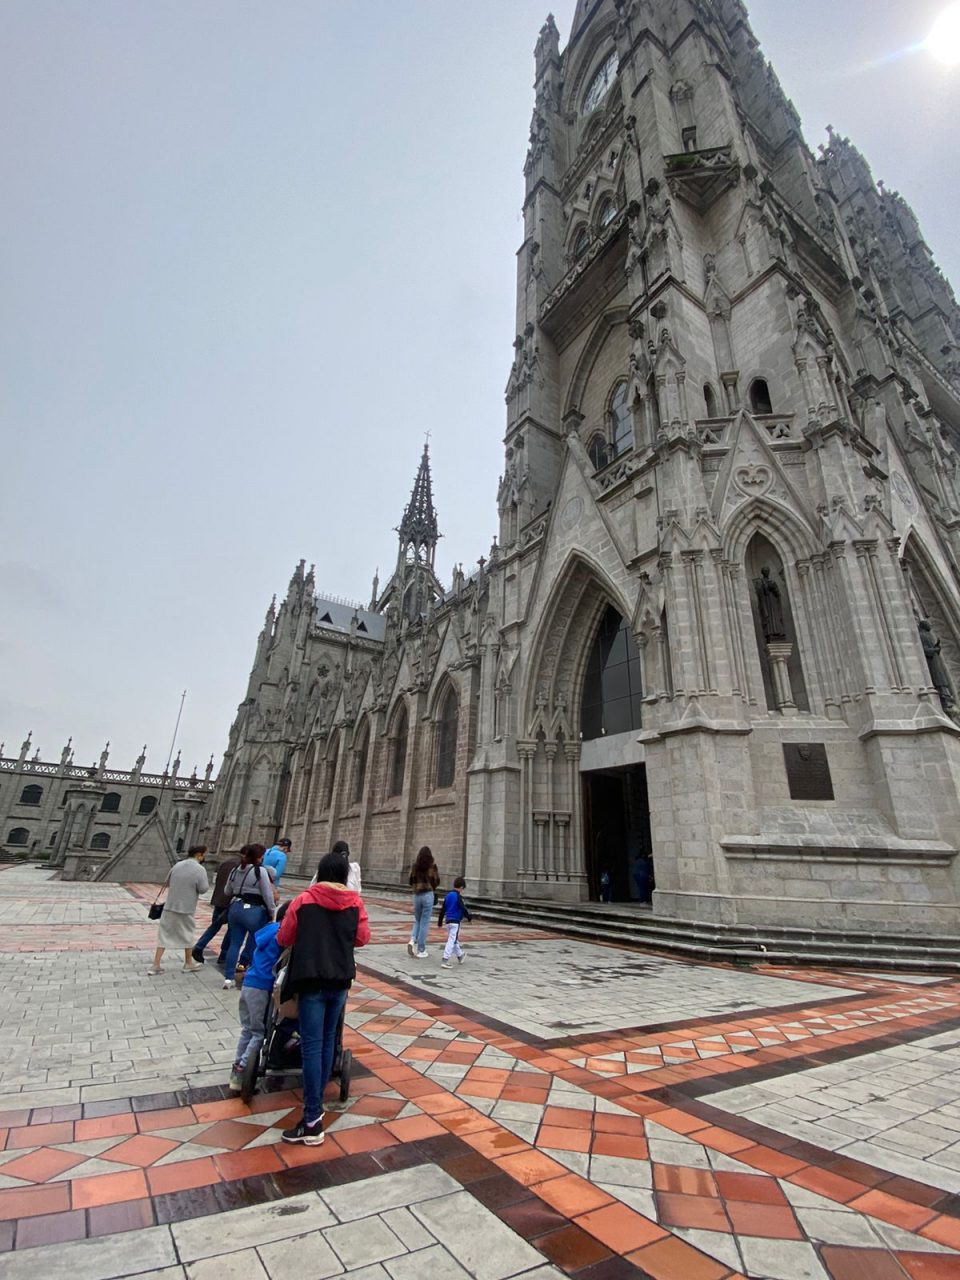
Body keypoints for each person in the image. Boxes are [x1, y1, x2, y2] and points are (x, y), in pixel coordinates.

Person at [277, 849, 369, 1144]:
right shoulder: (355, 903)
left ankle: (312, 1119)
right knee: (329, 1040)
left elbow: (284, 938)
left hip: (310, 979)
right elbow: (362, 939)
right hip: (340, 980)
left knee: (313, 1046)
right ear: (344, 876)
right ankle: (318, 1103)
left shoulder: (303, 901)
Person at [228, 902, 288, 1092]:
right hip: (262, 987)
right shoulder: (282, 934)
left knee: (247, 1029)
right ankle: (243, 1068)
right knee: (258, 1032)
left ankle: (236, 1074)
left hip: (248, 984)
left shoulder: (268, 930)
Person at [148, 846, 209, 976]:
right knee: (187, 934)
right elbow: (203, 889)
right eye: (204, 855)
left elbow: (167, 881)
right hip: (186, 907)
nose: (204, 857)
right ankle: (188, 963)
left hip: (170, 906)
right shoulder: (200, 869)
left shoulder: (177, 865)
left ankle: (156, 965)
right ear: (199, 855)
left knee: (164, 935)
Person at [222, 844, 277, 990]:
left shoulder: (236, 869)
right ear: (260, 856)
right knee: (255, 942)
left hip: (235, 907)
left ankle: (228, 978)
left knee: (234, 943)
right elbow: (267, 894)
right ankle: (248, 972)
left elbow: (227, 891)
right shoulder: (260, 871)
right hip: (254, 910)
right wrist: (272, 912)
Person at [191, 851, 240, 965]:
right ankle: (223, 955)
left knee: (214, 926)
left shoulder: (225, 863)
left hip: (218, 899)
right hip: (230, 901)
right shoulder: (241, 865)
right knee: (231, 930)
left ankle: (199, 946)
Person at [407, 846, 439, 959]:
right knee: (424, 922)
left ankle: (412, 940)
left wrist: (416, 886)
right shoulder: (432, 866)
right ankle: (421, 949)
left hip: (417, 895)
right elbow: (436, 881)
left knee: (417, 920)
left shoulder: (415, 867)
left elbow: (410, 880)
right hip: (428, 895)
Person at [438, 876, 471, 969]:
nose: (462, 890)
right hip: (455, 921)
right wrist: (469, 917)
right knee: (451, 940)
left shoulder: (448, 895)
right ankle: (445, 959)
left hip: (448, 921)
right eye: (463, 889)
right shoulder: (458, 896)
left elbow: (443, 909)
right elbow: (463, 908)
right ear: (461, 887)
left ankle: (460, 956)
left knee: (454, 939)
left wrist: (440, 921)